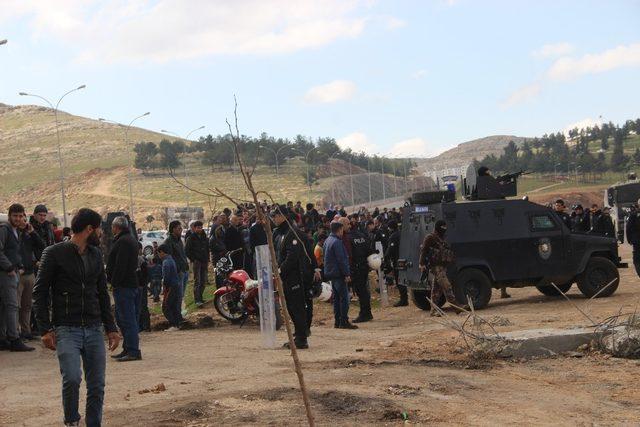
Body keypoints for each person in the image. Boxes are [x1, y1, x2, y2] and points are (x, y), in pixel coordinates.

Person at [33, 208, 120, 427]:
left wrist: (111, 327)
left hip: (93, 328)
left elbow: (102, 292)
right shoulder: (53, 254)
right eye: (99, 229)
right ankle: (72, 421)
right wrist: (45, 329)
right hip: (66, 328)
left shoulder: (95, 255)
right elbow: (39, 293)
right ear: (89, 229)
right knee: (72, 378)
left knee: (97, 385)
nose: (101, 234)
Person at [272, 205, 309, 348]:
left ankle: (302, 338)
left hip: (294, 276)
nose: (274, 218)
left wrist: (280, 270)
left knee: (297, 307)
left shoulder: (292, 233)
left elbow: (292, 256)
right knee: (290, 307)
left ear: (284, 216)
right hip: (285, 276)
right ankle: (298, 334)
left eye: (276, 215)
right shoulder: (279, 233)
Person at [106, 216, 141, 362]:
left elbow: (121, 265)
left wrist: (114, 282)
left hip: (124, 285)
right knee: (123, 318)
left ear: (115, 227)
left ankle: (132, 350)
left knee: (127, 319)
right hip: (128, 284)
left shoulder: (123, 241)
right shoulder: (128, 239)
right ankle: (128, 348)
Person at [0, 204, 35, 351]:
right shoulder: (4, 230)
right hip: (6, 273)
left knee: (4, 306)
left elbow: (15, 252)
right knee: (12, 306)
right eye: (15, 216)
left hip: (13, 272)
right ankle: (14, 338)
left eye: (21, 216)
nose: (18, 218)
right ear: (9, 216)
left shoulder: (16, 231)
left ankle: (3, 339)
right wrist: (9, 267)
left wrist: (19, 266)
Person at [419, 220, 464, 316]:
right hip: (436, 266)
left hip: (442, 266)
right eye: (442, 228)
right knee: (446, 285)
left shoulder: (441, 238)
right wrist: (421, 264)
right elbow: (423, 250)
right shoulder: (430, 237)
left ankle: (433, 310)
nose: (444, 230)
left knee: (436, 289)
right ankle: (456, 307)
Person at [324, 221, 357, 329]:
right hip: (338, 273)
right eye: (342, 230)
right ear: (339, 230)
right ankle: (344, 321)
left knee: (337, 298)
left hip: (331, 273)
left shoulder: (327, 241)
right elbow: (342, 259)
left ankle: (337, 321)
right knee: (344, 298)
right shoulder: (337, 242)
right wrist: (347, 274)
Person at [17, 211, 45, 340]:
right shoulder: (12, 233)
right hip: (17, 274)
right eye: (18, 217)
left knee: (27, 305)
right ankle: (14, 333)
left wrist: (32, 232)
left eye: (23, 217)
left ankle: (26, 331)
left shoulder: (29, 234)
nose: (21, 220)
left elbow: (41, 245)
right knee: (15, 305)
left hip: (29, 273)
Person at [348, 219, 374, 323]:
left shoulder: (349, 238)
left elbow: (349, 255)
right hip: (364, 266)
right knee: (364, 290)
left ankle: (364, 314)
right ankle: (367, 312)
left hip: (356, 267)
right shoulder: (362, 236)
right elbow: (369, 250)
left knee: (361, 291)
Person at [157, 244, 182, 331]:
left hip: (171, 286)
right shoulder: (171, 260)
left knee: (166, 306)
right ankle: (178, 323)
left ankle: (174, 324)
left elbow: (166, 277)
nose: (158, 256)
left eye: (158, 253)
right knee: (173, 305)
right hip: (175, 285)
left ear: (162, 252)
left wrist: (164, 287)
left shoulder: (166, 262)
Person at [185, 220, 209, 306]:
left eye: (201, 227)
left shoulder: (204, 237)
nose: (200, 229)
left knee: (203, 281)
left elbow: (207, 249)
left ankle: (201, 297)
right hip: (196, 262)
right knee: (197, 281)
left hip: (204, 261)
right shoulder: (190, 238)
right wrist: (193, 259)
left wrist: (207, 259)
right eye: (198, 228)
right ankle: (197, 300)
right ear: (194, 228)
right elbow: (187, 251)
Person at [164, 221, 188, 305]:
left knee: (181, 295)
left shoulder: (179, 240)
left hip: (184, 270)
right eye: (179, 229)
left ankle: (179, 313)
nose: (181, 230)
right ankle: (177, 315)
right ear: (173, 229)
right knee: (177, 295)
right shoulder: (169, 241)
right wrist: (178, 269)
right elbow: (169, 258)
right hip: (177, 272)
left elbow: (182, 254)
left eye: (181, 228)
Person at [384, 221, 406, 307]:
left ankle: (403, 299)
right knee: (402, 278)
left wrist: (386, 258)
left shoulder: (393, 236)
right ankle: (404, 298)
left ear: (391, 227)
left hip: (397, 259)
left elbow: (390, 249)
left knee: (398, 279)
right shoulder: (401, 233)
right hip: (403, 258)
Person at [626, 202, 640, 277]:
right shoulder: (634, 214)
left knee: (637, 258)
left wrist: (629, 239)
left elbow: (628, 228)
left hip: (636, 240)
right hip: (636, 240)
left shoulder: (633, 215)